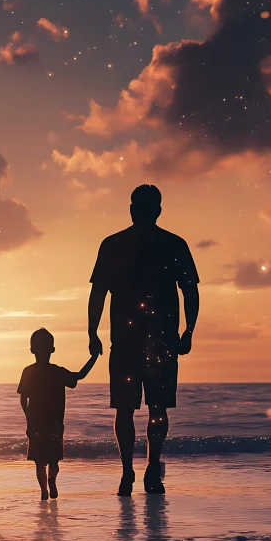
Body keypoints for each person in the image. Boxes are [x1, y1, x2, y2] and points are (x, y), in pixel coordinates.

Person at [88, 185, 199, 496]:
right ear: (157, 211)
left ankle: (133, 472)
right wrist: (188, 330)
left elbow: (98, 293)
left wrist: (92, 332)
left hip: (130, 342)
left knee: (130, 409)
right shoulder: (172, 244)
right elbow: (189, 292)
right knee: (154, 407)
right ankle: (146, 471)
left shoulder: (115, 244)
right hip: (156, 341)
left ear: (135, 210)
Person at [18, 328, 98, 500]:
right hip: (55, 424)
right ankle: (52, 478)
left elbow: (23, 400)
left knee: (39, 462)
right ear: (52, 349)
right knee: (54, 460)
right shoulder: (57, 372)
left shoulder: (28, 371)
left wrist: (29, 421)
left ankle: (43, 491)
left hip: (36, 424)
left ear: (32, 349)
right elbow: (80, 375)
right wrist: (94, 357)